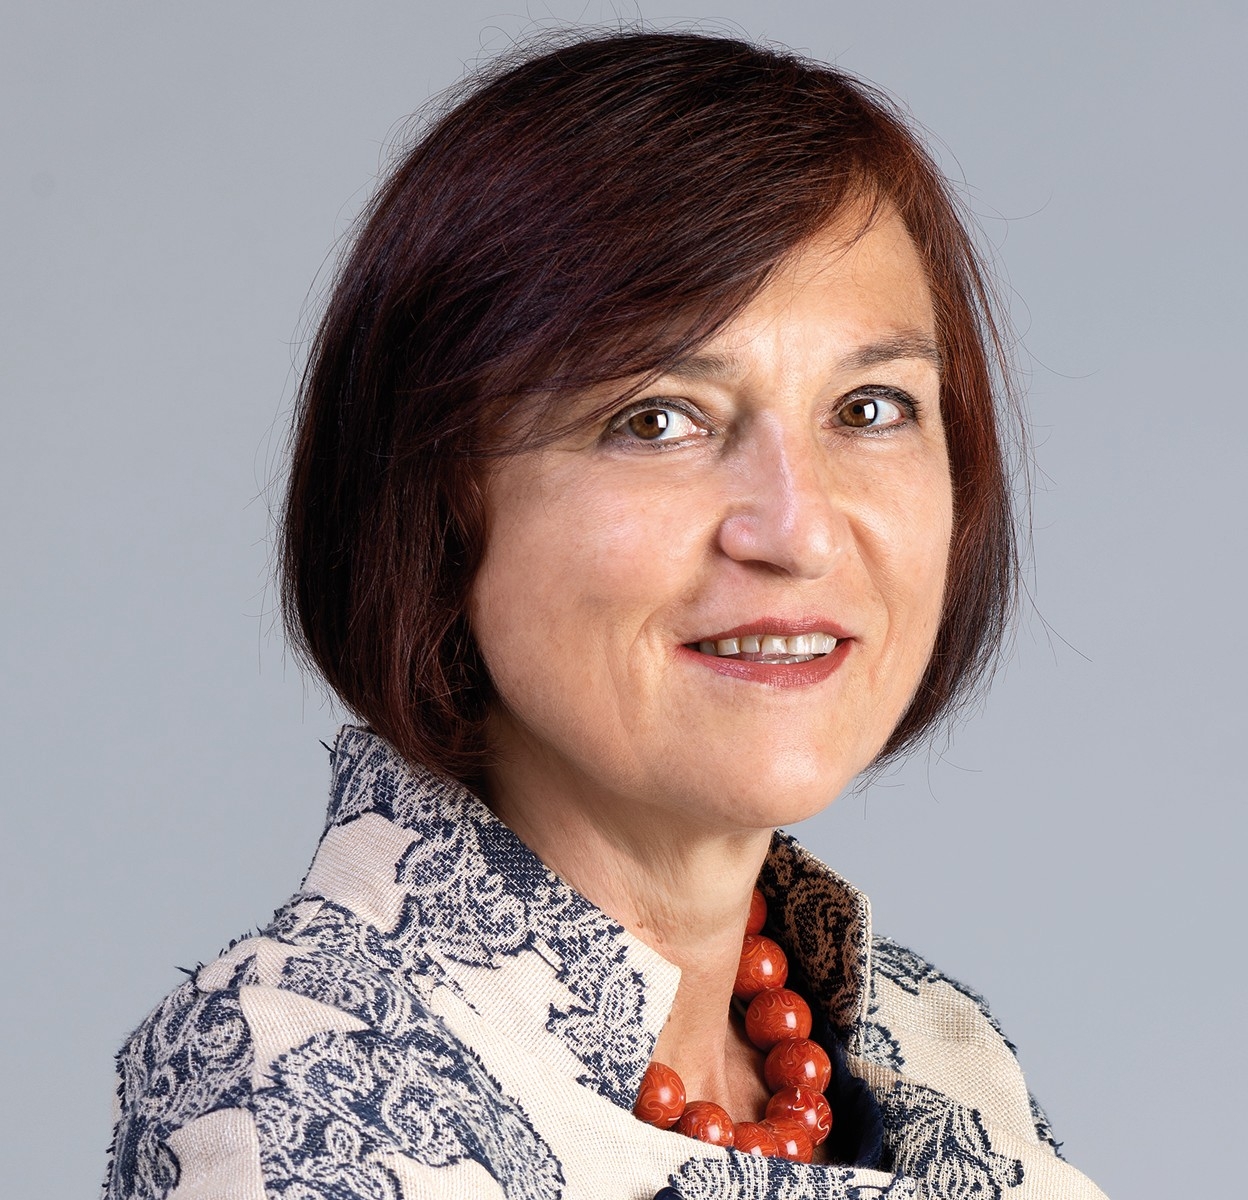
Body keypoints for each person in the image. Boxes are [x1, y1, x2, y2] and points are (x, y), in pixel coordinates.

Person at [103, 30, 1107, 1200]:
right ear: (438, 499)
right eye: (656, 419)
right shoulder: (306, 1085)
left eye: (871, 407)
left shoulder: (936, 1055)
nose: (799, 532)